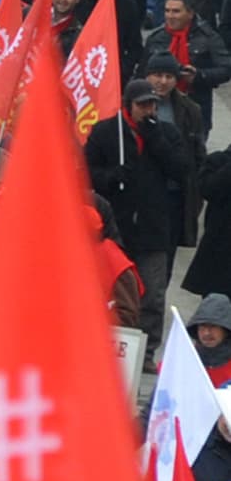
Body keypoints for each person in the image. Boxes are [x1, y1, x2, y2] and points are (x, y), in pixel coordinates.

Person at [87, 77, 191, 345]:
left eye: (152, 105)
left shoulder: (166, 133)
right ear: (128, 105)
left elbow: (182, 170)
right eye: (142, 105)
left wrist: (156, 140)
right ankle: (110, 342)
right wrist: (112, 176)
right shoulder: (106, 132)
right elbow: (88, 173)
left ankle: (147, 347)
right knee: (114, 290)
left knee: (153, 293)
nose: (148, 111)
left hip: (154, 226)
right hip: (117, 228)